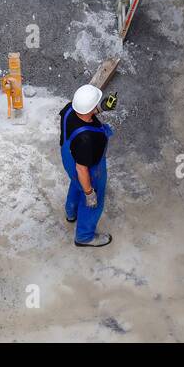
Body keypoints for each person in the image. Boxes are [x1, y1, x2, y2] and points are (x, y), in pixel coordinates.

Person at [59, 84, 114, 247]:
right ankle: (84, 236)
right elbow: (82, 169)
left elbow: (83, 113)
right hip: (87, 169)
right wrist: (90, 193)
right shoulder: (87, 139)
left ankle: (71, 212)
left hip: (70, 159)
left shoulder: (69, 108)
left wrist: (102, 108)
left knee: (76, 184)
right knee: (91, 201)